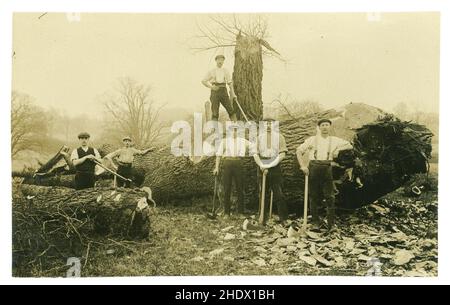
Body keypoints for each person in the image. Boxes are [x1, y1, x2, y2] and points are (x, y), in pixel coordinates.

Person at [296, 119, 353, 231]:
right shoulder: (312, 140)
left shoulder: (334, 140)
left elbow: (349, 145)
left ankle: (331, 224)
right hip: (313, 167)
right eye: (322, 125)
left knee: (330, 197)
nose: (325, 127)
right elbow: (298, 150)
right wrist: (302, 166)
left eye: (327, 125)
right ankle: (315, 223)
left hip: (327, 168)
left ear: (330, 127)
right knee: (313, 196)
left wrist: (337, 149)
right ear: (319, 127)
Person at [213, 123, 253, 218]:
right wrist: (217, 167)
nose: (234, 132)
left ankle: (240, 212)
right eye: (232, 130)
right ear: (229, 131)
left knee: (240, 188)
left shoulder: (243, 141)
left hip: (238, 163)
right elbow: (218, 155)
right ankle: (227, 213)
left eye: (236, 130)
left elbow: (254, 146)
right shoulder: (224, 141)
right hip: (227, 163)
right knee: (227, 188)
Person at [253, 118, 289, 225]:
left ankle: (284, 219)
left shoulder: (280, 137)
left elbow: (282, 154)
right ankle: (262, 218)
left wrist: (271, 164)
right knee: (263, 192)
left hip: (275, 164)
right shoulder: (259, 138)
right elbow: (255, 154)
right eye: (266, 124)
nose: (268, 126)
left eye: (270, 124)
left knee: (278, 193)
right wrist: (261, 164)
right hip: (262, 163)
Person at [202, 54, 238, 122]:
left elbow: (230, 83)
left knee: (230, 110)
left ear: (223, 61)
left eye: (222, 60)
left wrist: (233, 94)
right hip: (214, 92)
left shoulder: (225, 70)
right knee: (215, 113)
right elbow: (203, 81)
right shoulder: (212, 71)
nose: (220, 61)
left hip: (223, 91)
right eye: (219, 59)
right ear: (216, 60)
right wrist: (211, 87)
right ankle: (215, 130)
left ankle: (236, 128)